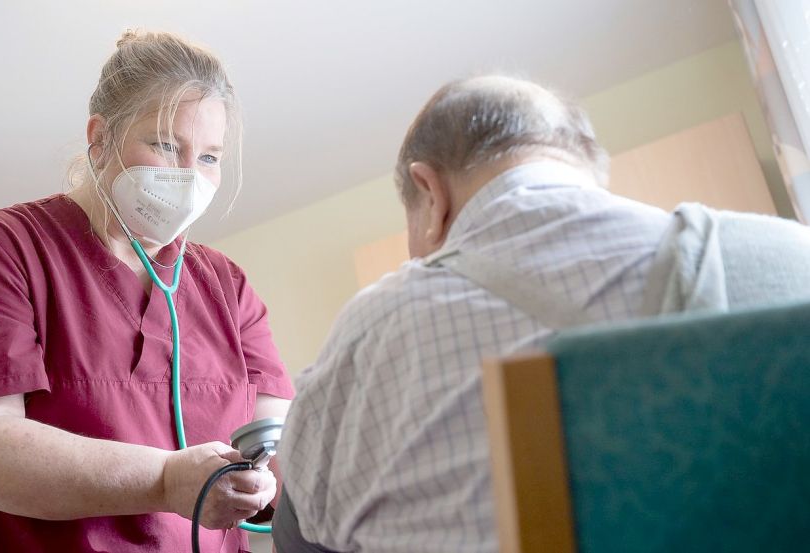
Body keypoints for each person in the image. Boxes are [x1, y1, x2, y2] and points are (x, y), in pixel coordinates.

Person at [272, 75, 810, 552]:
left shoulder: (368, 335)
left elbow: (299, 540)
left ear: (429, 192)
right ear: (585, 166)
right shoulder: (790, 255)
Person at [0, 30, 294, 552]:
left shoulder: (227, 288)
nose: (189, 176)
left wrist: (270, 479)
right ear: (100, 139)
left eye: (209, 158)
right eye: (166, 145)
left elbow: (282, 445)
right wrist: (168, 481)